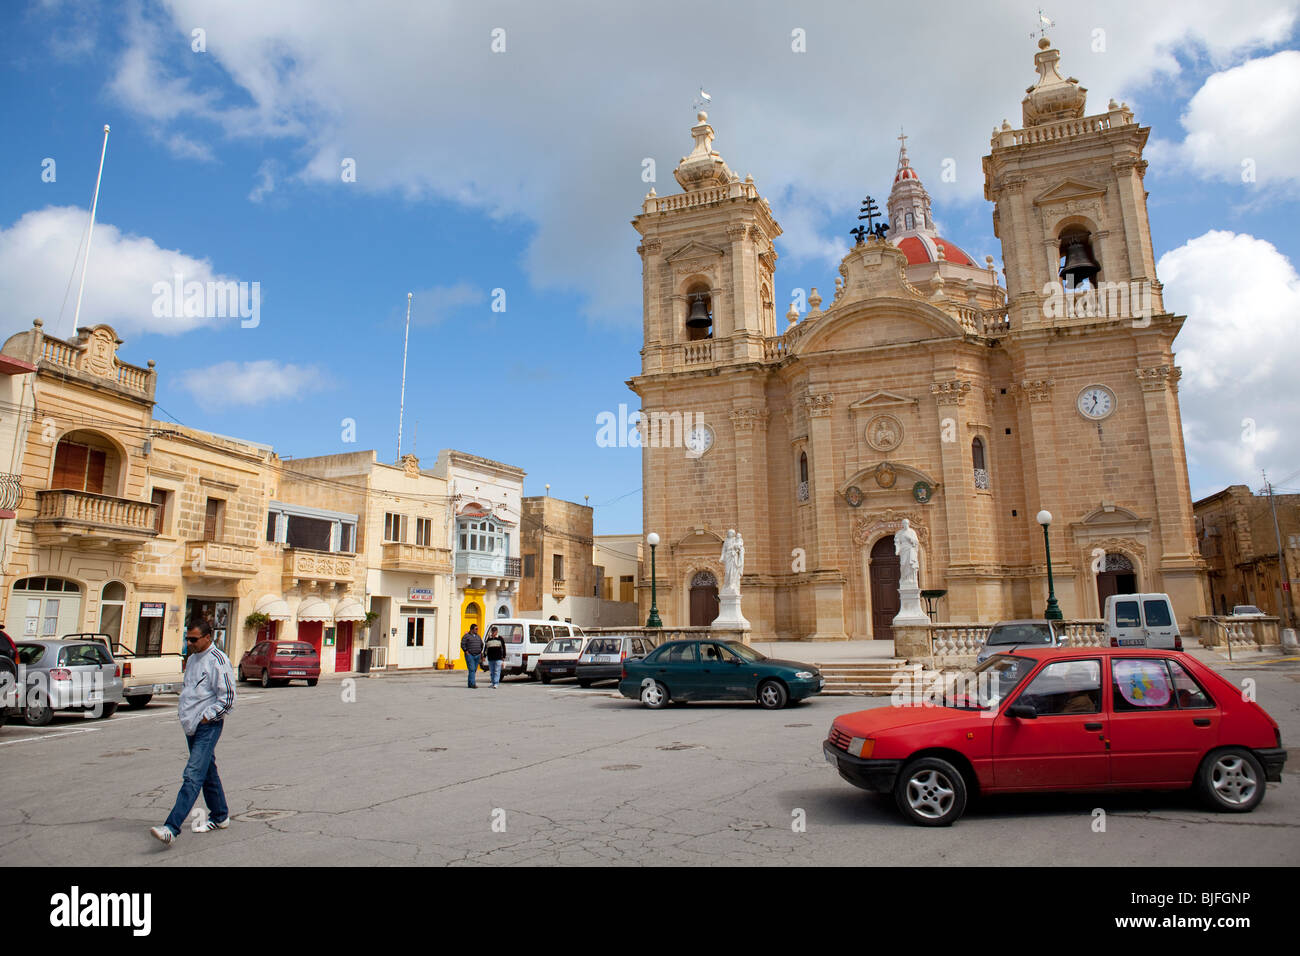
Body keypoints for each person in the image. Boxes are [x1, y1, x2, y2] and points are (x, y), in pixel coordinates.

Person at [150, 618, 236, 848]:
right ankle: (220, 816)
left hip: (207, 726)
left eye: (194, 639)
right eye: (188, 639)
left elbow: (227, 698)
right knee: (208, 771)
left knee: (193, 775)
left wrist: (207, 716)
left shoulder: (219, 661)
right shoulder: (192, 660)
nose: (190, 643)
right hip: (191, 726)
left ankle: (171, 827)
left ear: (208, 638)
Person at [482, 624, 506, 689]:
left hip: (498, 658)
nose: (494, 633)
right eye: (493, 631)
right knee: (492, 671)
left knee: (497, 671)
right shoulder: (489, 639)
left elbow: (503, 648)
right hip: (490, 658)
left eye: (495, 631)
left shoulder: (500, 638)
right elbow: (486, 648)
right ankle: (493, 683)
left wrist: (503, 656)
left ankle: (496, 683)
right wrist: (484, 656)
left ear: (497, 632)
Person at [460, 623, 483, 689]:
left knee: (473, 670)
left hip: (477, 655)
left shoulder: (478, 636)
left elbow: (481, 644)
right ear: (472, 629)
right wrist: (466, 651)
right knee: (472, 669)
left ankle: (470, 683)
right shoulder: (466, 636)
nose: (477, 630)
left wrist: (480, 652)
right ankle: (473, 684)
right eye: (476, 629)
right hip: (470, 655)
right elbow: (462, 644)